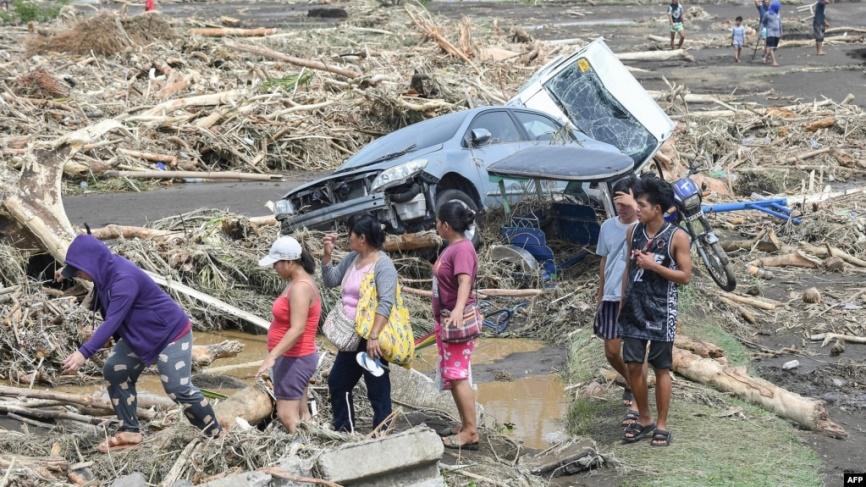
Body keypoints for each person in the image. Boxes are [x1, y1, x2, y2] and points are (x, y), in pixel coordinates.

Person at [59, 235, 220, 452]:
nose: (80, 276)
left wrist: (83, 353)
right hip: (140, 335)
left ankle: (215, 434)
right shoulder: (104, 271)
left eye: (79, 271)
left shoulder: (123, 279)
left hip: (170, 334)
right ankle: (130, 430)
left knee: (177, 387)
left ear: (92, 264)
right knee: (115, 369)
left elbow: (112, 322)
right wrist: (65, 272)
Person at [619, 175, 692, 447]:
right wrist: (621, 301)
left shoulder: (677, 237)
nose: (636, 209)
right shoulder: (633, 232)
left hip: (662, 310)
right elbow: (628, 269)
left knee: (661, 367)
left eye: (641, 205)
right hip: (634, 308)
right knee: (634, 365)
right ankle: (645, 418)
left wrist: (654, 266)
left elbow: (685, 276)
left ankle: (662, 424)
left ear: (657, 209)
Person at [322, 215, 398, 432]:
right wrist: (327, 257)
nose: (348, 239)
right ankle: (344, 429)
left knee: (378, 388)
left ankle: (382, 432)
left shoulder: (383, 265)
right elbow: (331, 280)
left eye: (351, 235)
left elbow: (386, 301)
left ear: (362, 238)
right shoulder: (353, 258)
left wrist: (374, 335)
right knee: (338, 382)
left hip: (372, 336)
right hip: (351, 335)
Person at [256, 236, 321, 433]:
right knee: (302, 414)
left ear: (290, 262)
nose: (275, 268)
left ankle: (303, 454)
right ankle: (310, 447)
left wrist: (271, 357)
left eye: (276, 263)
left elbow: (297, 328)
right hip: (295, 358)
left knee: (286, 414)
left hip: (296, 358)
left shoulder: (301, 287)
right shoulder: (296, 282)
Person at [594, 176, 644, 428]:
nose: (621, 208)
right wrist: (601, 293)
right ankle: (631, 381)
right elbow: (604, 261)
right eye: (618, 203)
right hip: (612, 296)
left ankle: (637, 400)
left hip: (636, 298)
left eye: (626, 202)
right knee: (612, 352)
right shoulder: (607, 227)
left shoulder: (645, 227)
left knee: (635, 354)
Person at [432, 202, 480, 450]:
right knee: (453, 375)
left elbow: (464, 281)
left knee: (458, 376)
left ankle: (471, 431)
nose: (436, 226)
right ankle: (465, 425)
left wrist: (459, 309)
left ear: (446, 225)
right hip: (447, 320)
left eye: (438, 222)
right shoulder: (452, 247)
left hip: (456, 321)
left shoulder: (461, 249)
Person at [762, 0, 782, 66]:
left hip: (777, 33)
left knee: (774, 47)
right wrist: (764, 30)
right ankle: (774, 61)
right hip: (770, 33)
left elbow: (780, 23)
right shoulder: (767, 14)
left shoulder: (778, 14)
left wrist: (781, 31)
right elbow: (764, 22)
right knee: (771, 47)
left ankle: (765, 58)